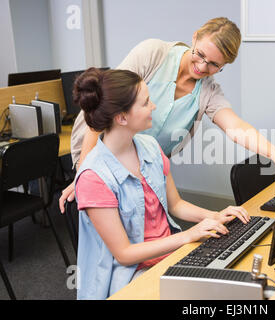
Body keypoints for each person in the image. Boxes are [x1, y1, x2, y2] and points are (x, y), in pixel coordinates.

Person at [59, 17, 275, 212]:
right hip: (99, 148)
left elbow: (236, 127)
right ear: (195, 37)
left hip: (144, 164)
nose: (202, 67)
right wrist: (85, 173)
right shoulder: (153, 53)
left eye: (213, 65)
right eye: (200, 54)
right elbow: (103, 104)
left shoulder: (208, 91)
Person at [73, 67, 249, 299]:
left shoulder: (149, 146)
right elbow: (124, 254)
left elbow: (176, 205)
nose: (153, 107)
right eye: (146, 103)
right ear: (122, 117)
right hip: (129, 276)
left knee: (236, 283)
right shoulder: (93, 177)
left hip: (169, 256)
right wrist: (188, 235)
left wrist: (214, 216)